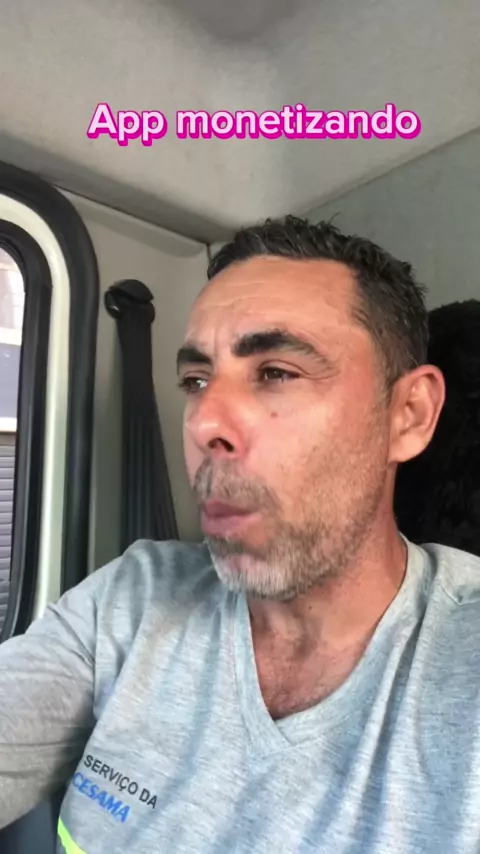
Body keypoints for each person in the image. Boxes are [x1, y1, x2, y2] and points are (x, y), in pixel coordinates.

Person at [1, 216, 479, 854]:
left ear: (408, 415)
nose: (204, 423)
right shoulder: (134, 597)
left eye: (276, 371)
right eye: (196, 382)